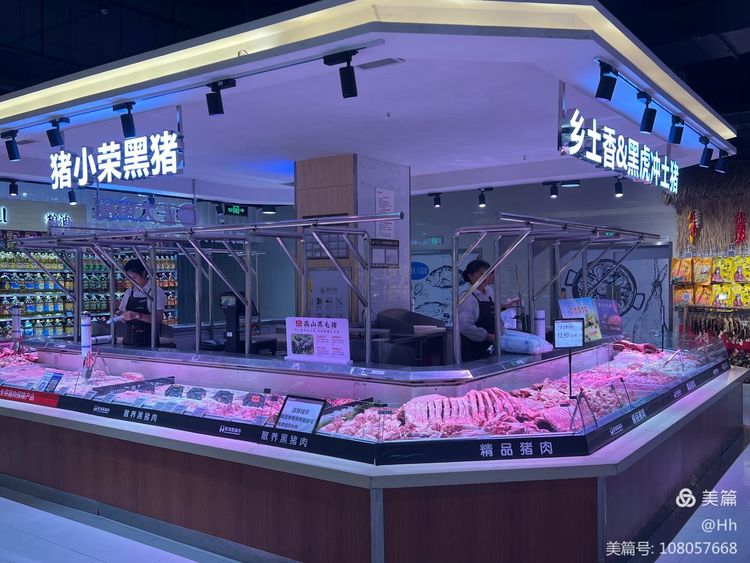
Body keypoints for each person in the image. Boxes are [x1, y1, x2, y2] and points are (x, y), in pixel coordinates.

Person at [458, 260, 518, 362]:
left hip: (491, 347)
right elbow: (465, 327)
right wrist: (488, 337)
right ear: (470, 276)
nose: (485, 277)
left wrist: (505, 306)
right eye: (481, 274)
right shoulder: (466, 298)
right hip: (473, 351)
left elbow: (492, 310)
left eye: (488, 273)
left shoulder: (489, 291)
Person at [117, 259, 166, 346]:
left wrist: (136, 315)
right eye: (130, 279)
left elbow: (158, 319)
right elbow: (121, 312)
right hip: (129, 340)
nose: (133, 281)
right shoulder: (129, 292)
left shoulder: (156, 292)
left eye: (135, 278)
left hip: (149, 341)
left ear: (143, 273)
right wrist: (121, 317)